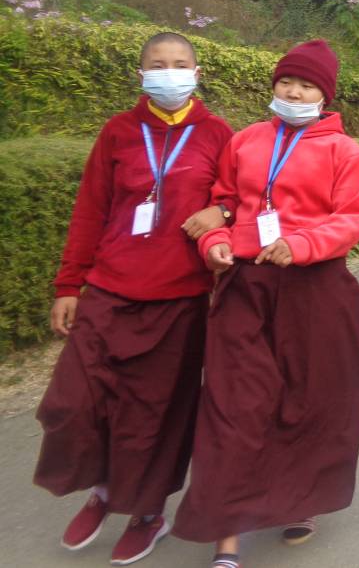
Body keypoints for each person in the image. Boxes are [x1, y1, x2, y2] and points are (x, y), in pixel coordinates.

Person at [32, 32, 231, 566]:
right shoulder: (119, 131)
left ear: (196, 73)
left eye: (180, 64)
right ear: (141, 74)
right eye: (158, 64)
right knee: (75, 402)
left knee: (154, 414)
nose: (170, 72)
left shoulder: (217, 134)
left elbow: (237, 195)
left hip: (180, 298)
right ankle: (102, 489)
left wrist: (223, 212)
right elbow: (90, 210)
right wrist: (69, 285)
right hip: (109, 290)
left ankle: (146, 513)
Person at [173, 39, 359, 567]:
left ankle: (301, 499)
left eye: (307, 85)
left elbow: (352, 218)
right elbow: (223, 201)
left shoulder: (345, 151)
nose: (294, 92)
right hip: (247, 284)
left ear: (324, 96)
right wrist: (214, 242)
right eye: (287, 81)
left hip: (316, 287)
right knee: (232, 402)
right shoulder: (245, 141)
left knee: (308, 398)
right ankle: (227, 533)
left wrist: (302, 244)